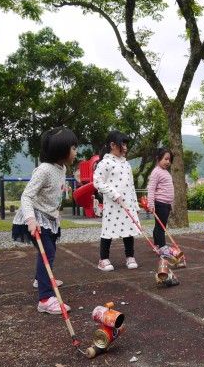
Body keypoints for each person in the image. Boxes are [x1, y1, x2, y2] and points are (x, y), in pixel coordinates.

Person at [12, 126, 78, 314]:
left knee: (49, 250)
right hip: (34, 218)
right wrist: (31, 220)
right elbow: (26, 197)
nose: (76, 152)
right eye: (73, 148)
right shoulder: (44, 170)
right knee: (47, 252)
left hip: (49, 217)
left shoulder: (61, 168)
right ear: (61, 149)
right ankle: (45, 299)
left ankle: (40, 279)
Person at [93, 130, 141, 272]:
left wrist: (135, 203)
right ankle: (103, 259)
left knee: (129, 230)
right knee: (108, 231)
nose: (125, 147)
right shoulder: (105, 163)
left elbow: (131, 185)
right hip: (113, 205)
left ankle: (130, 257)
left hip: (128, 204)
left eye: (126, 144)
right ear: (112, 145)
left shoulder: (126, 164)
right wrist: (113, 193)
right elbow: (97, 182)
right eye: (123, 144)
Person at [147, 147, 175, 257]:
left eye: (170, 160)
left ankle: (157, 245)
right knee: (161, 227)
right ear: (158, 159)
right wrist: (151, 203)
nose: (168, 162)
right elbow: (151, 188)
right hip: (160, 203)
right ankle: (163, 248)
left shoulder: (166, 172)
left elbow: (168, 189)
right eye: (166, 159)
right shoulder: (156, 172)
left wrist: (171, 203)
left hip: (166, 204)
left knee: (158, 225)